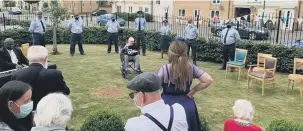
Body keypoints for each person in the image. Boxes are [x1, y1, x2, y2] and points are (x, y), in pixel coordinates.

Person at [157, 41, 213, 131]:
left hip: (167, 106)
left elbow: (155, 87)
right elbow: (208, 80)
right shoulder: (191, 67)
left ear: (170, 53)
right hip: (186, 106)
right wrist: (194, 90)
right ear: (185, 53)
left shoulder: (164, 69)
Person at [11, 46, 70, 110]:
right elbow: (65, 92)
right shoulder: (55, 74)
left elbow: (14, 98)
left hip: (26, 112)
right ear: (46, 58)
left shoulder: (16, 75)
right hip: (48, 110)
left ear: (28, 58)